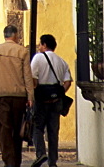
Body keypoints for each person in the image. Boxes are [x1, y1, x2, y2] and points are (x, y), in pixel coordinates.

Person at [0, 24, 34, 167]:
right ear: (15, 35)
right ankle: (16, 161)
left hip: (0, 96)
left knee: (4, 129)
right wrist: (30, 97)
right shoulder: (22, 51)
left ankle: (9, 161)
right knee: (18, 130)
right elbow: (27, 77)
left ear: (5, 35)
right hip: (19, 96)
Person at [30, 34, 72, 167]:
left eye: (40, 44)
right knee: (53, 131)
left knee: (37, 127)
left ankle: (41, 153)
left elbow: (33, 80)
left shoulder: (38, 58)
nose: (39, 47)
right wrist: (59, 93)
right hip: (56, 101)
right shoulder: (61, 61)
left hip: (41, 100)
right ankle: (53, 162)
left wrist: (35, 92)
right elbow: (68, 82)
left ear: (44, 45)